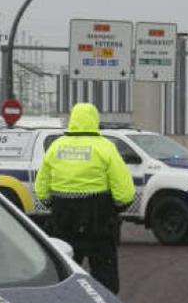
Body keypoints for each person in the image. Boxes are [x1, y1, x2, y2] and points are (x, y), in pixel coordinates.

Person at [35, 102, 135, 293]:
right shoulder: (105, 148)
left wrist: (53, 204)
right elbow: (125, 192)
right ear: (95, 121)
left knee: (65, 274)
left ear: (72, 120)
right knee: (105, 275)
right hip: (98, 220)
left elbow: (41, 188)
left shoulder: (56, 147)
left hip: (63, 220)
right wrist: (115, 208)